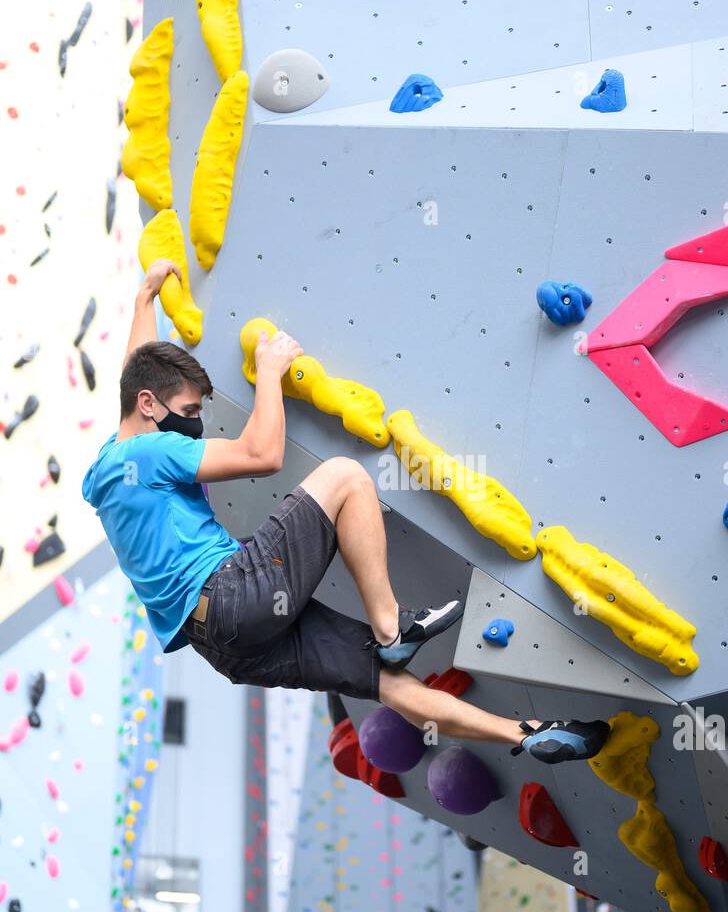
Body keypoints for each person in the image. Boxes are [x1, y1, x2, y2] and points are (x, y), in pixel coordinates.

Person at [82, 261, 604, 761]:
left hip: (225, 647)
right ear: (150, 405)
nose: (196, 423)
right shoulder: (149, 452)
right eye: (191, 412)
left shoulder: (110, 467)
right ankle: (391, 627)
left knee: (388, 683)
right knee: (347, 477)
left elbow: (136, 375)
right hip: (232, 595)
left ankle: (527, 734)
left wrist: (143, 299)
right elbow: (261, 455)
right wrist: (268, 372)